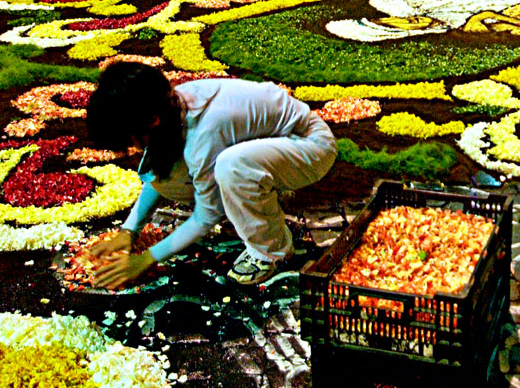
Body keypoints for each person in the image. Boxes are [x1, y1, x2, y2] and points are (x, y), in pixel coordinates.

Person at [85, 62, 337, 287]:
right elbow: (158, 171)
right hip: (272, 143)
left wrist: (147, 259)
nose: (135, 148)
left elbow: (205, 216)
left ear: (152, 121)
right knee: (172, 169)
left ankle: (271, 250)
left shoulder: (204, 133)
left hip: (312, 145)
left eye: (131, 141)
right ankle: (264, 189)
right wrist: (129, 230)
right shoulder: (169, 104)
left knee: (231, 167)